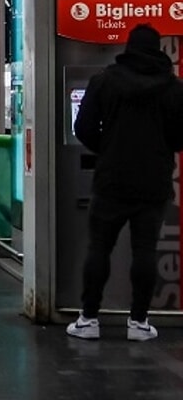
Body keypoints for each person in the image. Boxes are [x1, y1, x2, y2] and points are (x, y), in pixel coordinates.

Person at [68, 23, 183, 341]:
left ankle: (88, 319)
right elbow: (180, 136)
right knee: (145, 250)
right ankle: (139, 323)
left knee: (99, 248)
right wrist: (161, 149)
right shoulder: (174, 88)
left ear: (128, 47)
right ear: (157, 50)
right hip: (154, 182)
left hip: (111, 180)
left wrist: (107, 148)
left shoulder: (104, 80)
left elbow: (82, 127)